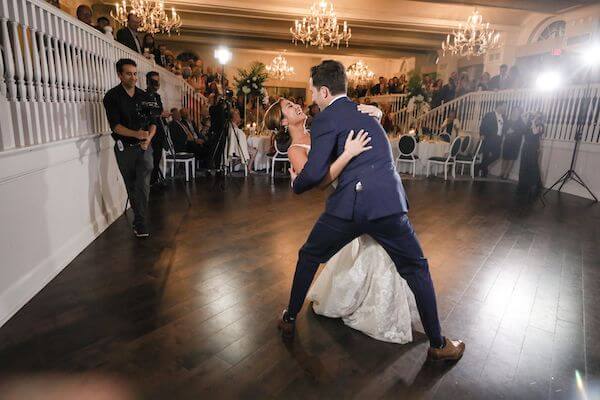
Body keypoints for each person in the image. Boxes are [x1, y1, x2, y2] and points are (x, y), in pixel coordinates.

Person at [276, 60, 465, 361]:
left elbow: (313, 175)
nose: (310, 99)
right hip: (387, 205)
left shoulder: (326, 119)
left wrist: (296, 184)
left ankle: (288, 319)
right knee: (417, 270)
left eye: (312, 92)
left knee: (310, 256)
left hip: (349, 207)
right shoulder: (367, 114)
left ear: (324, 91)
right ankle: (439, 344)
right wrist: (376, 113)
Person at [103, 59, 155, 237]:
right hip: (124, 148)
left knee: (143, 183)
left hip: (144, 147)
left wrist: (147, 139)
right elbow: (115, 126)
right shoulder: (111, 97)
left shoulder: (145, 96)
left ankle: (141, 222)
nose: (133, 77)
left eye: (135, 73)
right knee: (132, 185)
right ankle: (139, 221)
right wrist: (136, 134)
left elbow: (153, 123)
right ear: (119, 75)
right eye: (128, 74)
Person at [145, 71, 170, 187]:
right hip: (150, 131)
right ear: (149, 82)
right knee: (152, 158)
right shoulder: (145, 96)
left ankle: (155, 180)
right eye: (154, 81)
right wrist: (161, 114)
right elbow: (151, 112)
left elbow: (159, 110)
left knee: (158, 155)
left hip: (160, 130)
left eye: (158, 81)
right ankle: (151, 181)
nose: (157, 84)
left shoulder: (157, 96)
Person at [518, 112, 544, 198]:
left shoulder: (541, 126)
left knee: (532, 166)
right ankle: (523, 182)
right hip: (526, 146)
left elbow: (534, 132)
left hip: (533, 148)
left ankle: (534, 184)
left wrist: (533, 121)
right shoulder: (529, 123)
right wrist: (528, 113)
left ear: (540, 118)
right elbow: (521, 117)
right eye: (535, 116)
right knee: (524, 164)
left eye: (538, 117)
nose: (536, 118)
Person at [479, 101, 507, 177]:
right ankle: (484, 172)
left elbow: (505, 127)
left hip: (498, 139)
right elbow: (482, 125)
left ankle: (480, 166)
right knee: (486, 155)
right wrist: (481, 134)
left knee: (497, 155)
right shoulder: (489, 115)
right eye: (504, 106)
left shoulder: (504, 117)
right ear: (499, 106)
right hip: (489, 138)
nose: (505, 108)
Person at [500, 106, 525, 180]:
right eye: (514, 110)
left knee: (511, 158)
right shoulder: (508, 120)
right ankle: (502, 172)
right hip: (507, 141)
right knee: (505, 157)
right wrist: (506, 131)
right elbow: (503, 129)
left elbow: (523, 131)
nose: (515, 112)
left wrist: (514, 131)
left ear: (519, 112)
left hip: (515, 142)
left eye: (516, 111)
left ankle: (506, 174)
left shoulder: (521, 122)